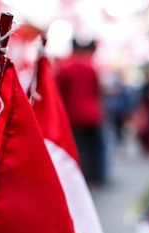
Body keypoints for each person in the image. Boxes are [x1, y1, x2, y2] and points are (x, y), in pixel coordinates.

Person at [57, 39, 108, 185]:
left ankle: (81, 178)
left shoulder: (65, 68)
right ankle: (97, 177)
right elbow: (98, 91)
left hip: (74, 115)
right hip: (92, 115)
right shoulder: (91, 67)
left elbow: (59, 92)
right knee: (95, 148)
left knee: (79, 148)